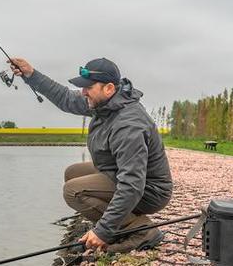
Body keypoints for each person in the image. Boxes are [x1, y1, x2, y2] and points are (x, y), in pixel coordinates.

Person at [9, 57, 173, 253]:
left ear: (109, 88)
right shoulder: (106, 104)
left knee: (73, 191)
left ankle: (141, 230)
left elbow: (132, 184)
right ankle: (120, 222)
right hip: (124, 175)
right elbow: (65, 98)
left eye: (88, 87)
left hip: (149, 191)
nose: (83, 92)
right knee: (73, 173)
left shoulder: (128, 125)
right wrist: (31, 75)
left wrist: (102, 231)